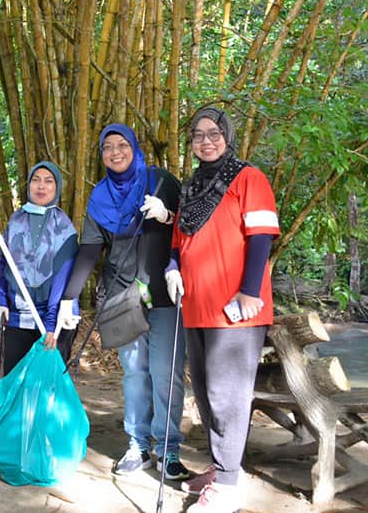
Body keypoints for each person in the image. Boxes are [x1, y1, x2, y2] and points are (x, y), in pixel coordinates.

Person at [164, 106, 280, 512]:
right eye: (197, 134)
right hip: (195, 303)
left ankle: (228, 487)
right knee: (207, 394)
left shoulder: (249, 177)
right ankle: (221, 466)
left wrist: (250, 293)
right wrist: (173, 267)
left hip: (235, 307)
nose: (206, 140)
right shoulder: (192, 184)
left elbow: (262, 235)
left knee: (227, 395)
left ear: (228, 136)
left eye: (213, 133)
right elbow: (180, 237)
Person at [61, 123, 191, 481]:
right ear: (101, 155)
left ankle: (169, 449)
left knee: (166, 373)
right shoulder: (100, 196)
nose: (115, 152)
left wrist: (167, 216)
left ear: (134, 147)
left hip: (165, 291)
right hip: (122, 294)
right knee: (135, 373)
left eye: (122, 145)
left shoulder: (162, 181)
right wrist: (68, 298)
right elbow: (90, 250)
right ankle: (139, 446)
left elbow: (191, 228)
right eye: (107, 147)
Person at [0, 161, 80, 374]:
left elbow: (62, 278)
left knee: (47, 386)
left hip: (56, 319)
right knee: (15, 383)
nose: (41, 186)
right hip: (18, 317)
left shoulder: (64, 226)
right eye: (36, 180)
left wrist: (51, 325)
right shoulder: (16, 220)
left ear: (57, 187)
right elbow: (6, 264)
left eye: (48, 181)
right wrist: (1, 300)